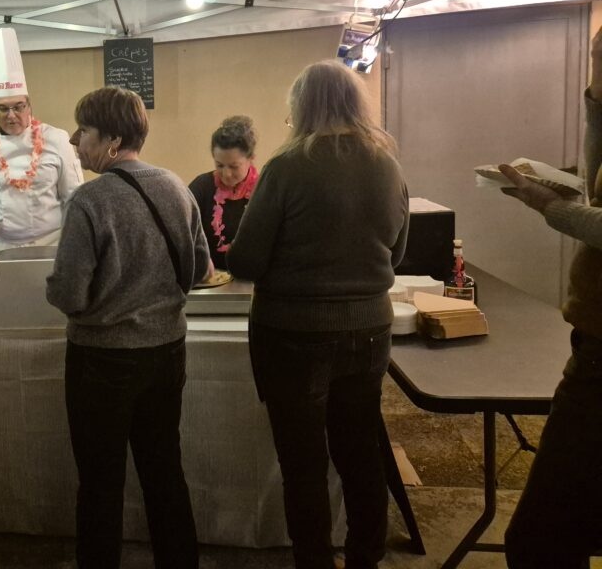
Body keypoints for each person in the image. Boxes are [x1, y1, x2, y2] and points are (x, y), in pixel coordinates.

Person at [227, 60, 409, 569]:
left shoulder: (287, 166)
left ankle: (314, 562)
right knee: (361, 454)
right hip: (369, 330)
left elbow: (245, 261)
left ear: (302, 106)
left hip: (293, 333)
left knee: (303, 466)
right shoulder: (387, 164)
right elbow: (396, 254)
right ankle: (366, 558)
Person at [46, 86, 210, 569]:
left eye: (84, 130)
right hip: (166, 351)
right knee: (164, 472)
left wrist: (56, 288)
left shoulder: (89, 201)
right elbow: (200, 270)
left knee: (100, 484)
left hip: (102, 361)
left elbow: (70, 294)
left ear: (113, 140)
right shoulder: (176, 187)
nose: (74, 140)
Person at [498, 25, 602, 569]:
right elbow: (594, 185)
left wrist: (549, 205)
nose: (595, 72)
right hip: (593, 342)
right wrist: (595, 105)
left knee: (539, 539)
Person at [0, 27, 83, 250]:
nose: (11, 115)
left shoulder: (57, 139)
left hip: (52, 243)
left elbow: (74, 196)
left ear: (29, 105)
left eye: (18, 107)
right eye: (3, 108)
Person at [188, 115, 259, 272]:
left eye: (234, 166)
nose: (226, 174)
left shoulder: (262, 190)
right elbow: (183, 232)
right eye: (219, 165)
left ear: (251, 158)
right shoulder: (202, 187)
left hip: (251, 278)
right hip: (208, 278)